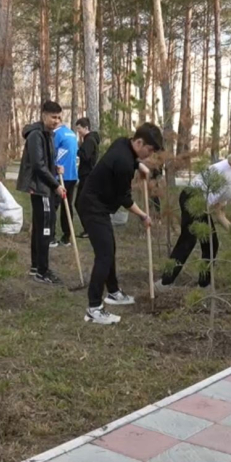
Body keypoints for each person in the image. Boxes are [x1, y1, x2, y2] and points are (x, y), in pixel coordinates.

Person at [77, 123, 162, 325]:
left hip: (96, 202)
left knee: (109, 249)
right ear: (139, 142)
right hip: (92, 206)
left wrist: (138, 165)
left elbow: (127, 158)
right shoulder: (124, 161)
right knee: (104, 254)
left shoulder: (123, 143)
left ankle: (113, 292)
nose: (149, 156)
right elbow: (125, 199)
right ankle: (94, 308)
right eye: (148, 150)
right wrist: (143, 216)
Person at [155, 154, 231, 293]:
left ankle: (204, 285)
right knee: (188, 240)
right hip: (192, 196)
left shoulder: (228, 191)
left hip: (202, 206)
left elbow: (220, 216)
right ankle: (164, 283)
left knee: (211, 243)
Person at [16, 101, 67, 285]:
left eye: (59, 117)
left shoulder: (48, 134)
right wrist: (55, 185)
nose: (57, 121)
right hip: (41, 188)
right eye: (53, 117)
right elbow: (38, 165)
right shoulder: (36, 135)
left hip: (43, 186)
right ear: (44, 115)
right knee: (46, 228)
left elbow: (45, 161)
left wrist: (55, 167)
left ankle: (36, 267)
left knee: (40, 227)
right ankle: (42, 271)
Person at [52, 122, 79, 247]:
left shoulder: (56, 134)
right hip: (72, 175)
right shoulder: (72, 134)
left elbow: (52, 153)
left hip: (60, 175)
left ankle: (51, 236)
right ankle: (66, 236)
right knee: (67, 206)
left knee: (54, 205)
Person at [75, 117, 100, 239]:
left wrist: (78, 150)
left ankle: (89, 229)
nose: (78, 131)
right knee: (81, 203)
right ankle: (89, 229)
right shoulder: (88, 140)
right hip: (86, 176)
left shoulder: (89, 141)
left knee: (80, 203)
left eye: (79, 128)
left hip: (87, 176)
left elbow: (86, 156)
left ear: (86, 128)